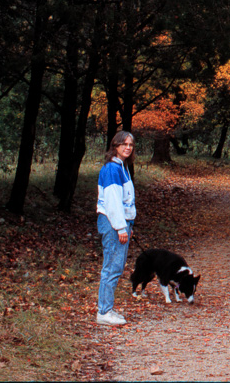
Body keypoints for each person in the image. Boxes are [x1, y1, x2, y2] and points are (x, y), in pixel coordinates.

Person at [96, 131, 136, 326]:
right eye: (123, 144)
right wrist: (121, 228)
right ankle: (103, 312)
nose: (127, 147)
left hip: (120, 223)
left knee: (116, 267)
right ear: (115, 145)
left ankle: (107, 308)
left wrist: (129, 225)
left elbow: (126, 201)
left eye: (130, 144)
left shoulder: (122, 167)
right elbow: (112, 203)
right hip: (112, 224)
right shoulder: (112, 168)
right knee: (111, 266)